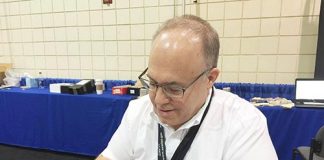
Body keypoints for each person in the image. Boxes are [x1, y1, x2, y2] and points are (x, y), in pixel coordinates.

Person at [96, 15, 278, 160]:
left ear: (210, 79)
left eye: (174, 88)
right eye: (152, 83)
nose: (158, 100)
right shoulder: (138, 110)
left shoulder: (244, 124)